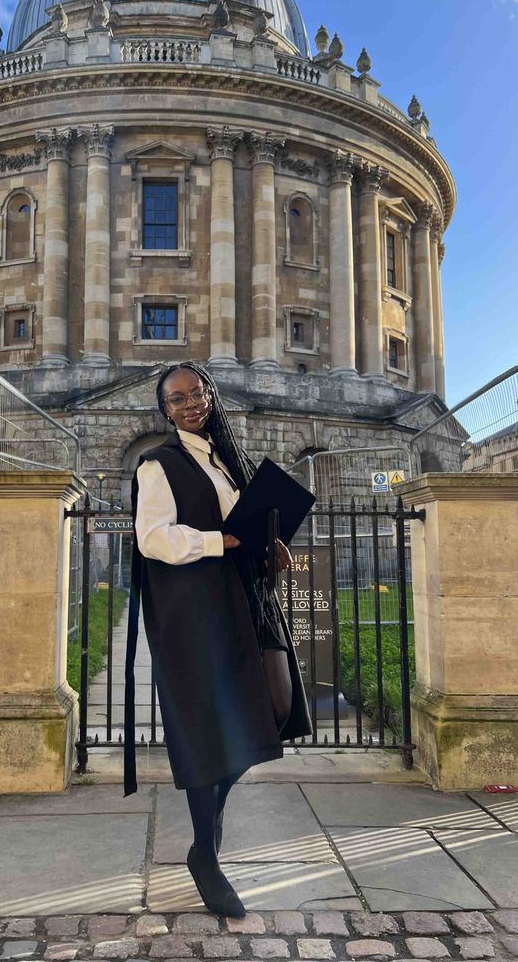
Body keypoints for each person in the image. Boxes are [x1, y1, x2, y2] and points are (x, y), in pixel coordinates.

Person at [123, 361, 313, 918]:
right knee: (211, 731)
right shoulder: (158, 464)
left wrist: (267, 545)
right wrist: (220, 541)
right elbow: (154, 538)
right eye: (177, 399)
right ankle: (206, 855)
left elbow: (248, 526)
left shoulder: (228, 461)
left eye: (197, 394)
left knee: (274, 708)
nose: (190, 404)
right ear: (165, 409)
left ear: (210, 395)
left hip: (248, 604)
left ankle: (203, 847)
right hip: (200, 613)